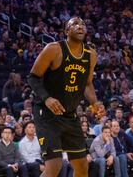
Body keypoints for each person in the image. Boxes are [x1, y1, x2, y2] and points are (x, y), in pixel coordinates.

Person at [27, 17, 104, 177]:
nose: (80, 26)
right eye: (74, 24)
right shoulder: (54, 49)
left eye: (82, 24)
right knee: (54, 165)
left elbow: (87, 84)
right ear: (66, 31)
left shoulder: (91, 55)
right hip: (47, 114)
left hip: (70, 114)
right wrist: (47, 98)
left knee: (82, 166)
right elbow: (33, 77)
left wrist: (94, 102)